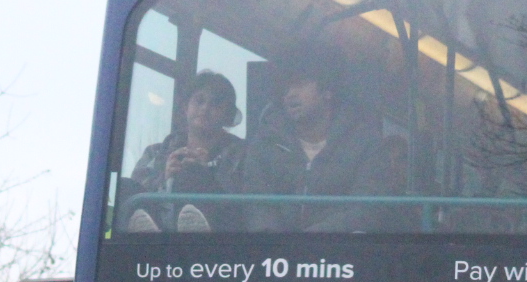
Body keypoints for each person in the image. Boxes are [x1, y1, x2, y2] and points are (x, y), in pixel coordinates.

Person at [241, 56, 396, 232]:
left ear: (327, 91)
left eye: (300, 84)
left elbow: (366, 208)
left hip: (340, 250)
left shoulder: (366, 143)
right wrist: (278, 242)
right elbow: (256, 203)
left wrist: (316, 238)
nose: (290, 94)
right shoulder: (264, 143)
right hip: (276, 252)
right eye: (286, 88)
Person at [119, 71, 248, 234]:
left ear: (227, 114)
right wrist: (166, 178)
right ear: (186, 107)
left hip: (220, 234)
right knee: (123, 186)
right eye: (199, 101)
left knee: (191, 173)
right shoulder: (155, 152)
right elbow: (138, 194)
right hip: (164, 228)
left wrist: (204, 174)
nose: (205, 108)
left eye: (216, 104)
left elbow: (246, 204)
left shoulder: (243, 154)